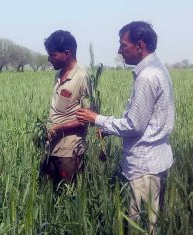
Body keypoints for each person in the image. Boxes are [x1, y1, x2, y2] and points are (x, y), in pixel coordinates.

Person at [76, 21, 175, 234]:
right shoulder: (158, 68)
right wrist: (110, 129)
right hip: (157, 161)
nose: (119, 51)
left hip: (144, 166)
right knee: (151, 223)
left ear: (140, 46)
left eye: (123, 45)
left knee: (141, 227)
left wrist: (97, 119)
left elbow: (134, 126)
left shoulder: (147, 77)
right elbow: (145, 121)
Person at [40, 30, 90, 191]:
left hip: (69, 151)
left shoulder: (83, 77)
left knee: (69, 198)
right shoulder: (57, 75)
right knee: (48, 195)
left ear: (67, 54)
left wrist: (59, 128)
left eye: (53, 55)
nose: (49, 59)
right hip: (51, 148)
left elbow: (88, 118)